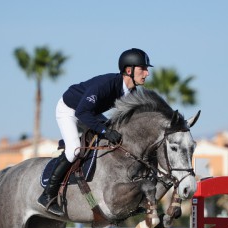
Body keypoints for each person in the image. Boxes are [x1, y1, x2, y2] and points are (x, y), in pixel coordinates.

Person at [38, 48, 153, 216]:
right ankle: (48, 194)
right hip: (70, 110)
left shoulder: (132, 92)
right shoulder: (105, 85)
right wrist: (105, 131)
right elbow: (81, 113)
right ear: (129, 70)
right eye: (143, 69)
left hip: (89, 112)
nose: (147, 73)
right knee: (74, 149)